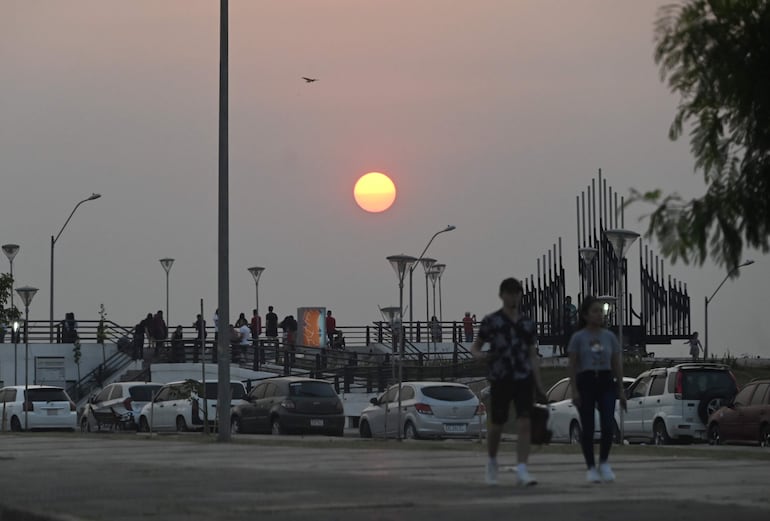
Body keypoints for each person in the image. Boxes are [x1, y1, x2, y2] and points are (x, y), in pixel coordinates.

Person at [471, 277, 544, 487]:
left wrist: (538, 385)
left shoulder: (527, 324)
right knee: (497, 424)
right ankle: (492, 462)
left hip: (523, 377)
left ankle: (522, 468)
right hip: (501, 377)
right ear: (502, 295)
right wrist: (481, 356)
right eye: (510, 293)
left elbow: (532, 355)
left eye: (517, 293)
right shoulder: (492, 321)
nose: (514, 297)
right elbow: (475, 346)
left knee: (524, 422)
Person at [567, 295, 627, 484]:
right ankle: (591, 467)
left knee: (608, 424)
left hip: (606, 381)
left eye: (601, 311)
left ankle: (604, 462)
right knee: (588, 427)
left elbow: (616, 363)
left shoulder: (609, 337)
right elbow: (572, 365)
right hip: (586, 381)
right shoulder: (578, 337)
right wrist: (574, 389)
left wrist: (621, 389)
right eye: (595, 311)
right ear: (585, 315)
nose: (599, 314)